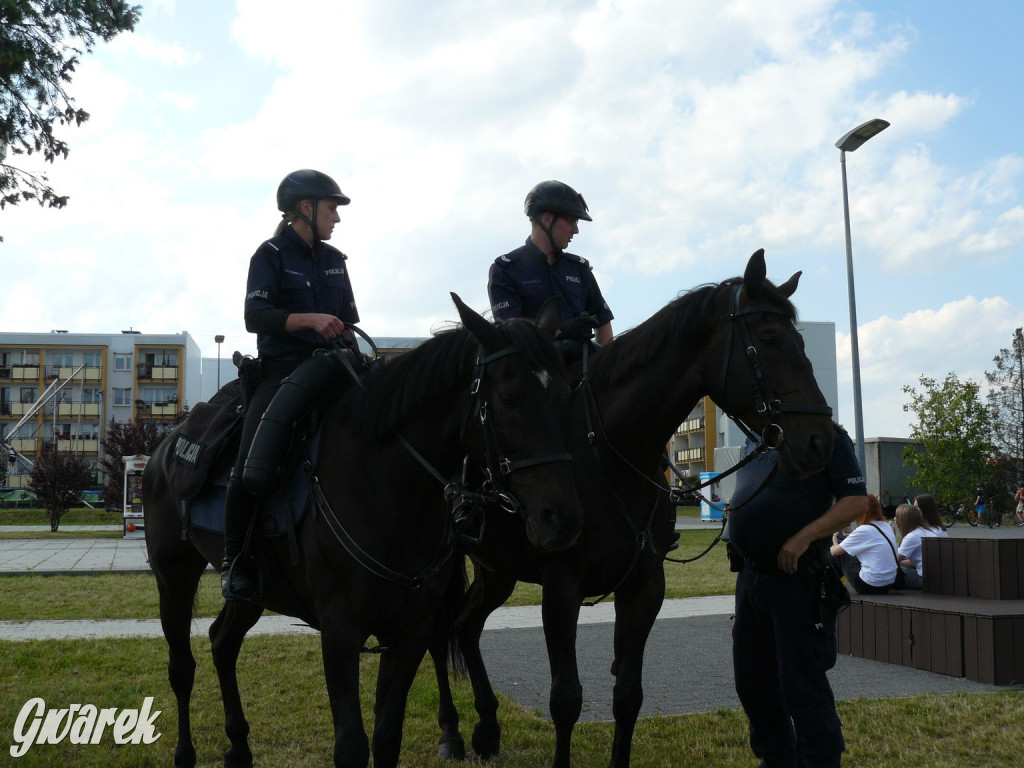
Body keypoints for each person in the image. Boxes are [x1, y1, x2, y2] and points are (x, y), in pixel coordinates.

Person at [221, 169, 359, 603]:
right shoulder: (271, 254)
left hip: (335, 367)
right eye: (332, 208)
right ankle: (235, 561)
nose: (337, 217)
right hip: (281, 371)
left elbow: (349, 322)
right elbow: (254, 318)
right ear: (306, 207)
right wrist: (309, 320)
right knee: (251, 462)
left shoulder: (336, 259)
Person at [728, 422, 867, 768]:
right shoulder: (755, 440)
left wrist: (805, 536)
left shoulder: (825, 436)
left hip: (797, 580)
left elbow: (854, 501)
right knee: (752, 682)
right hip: (751, 577)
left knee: (800, 684)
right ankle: (776, 759)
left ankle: (820, 760)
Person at [488, 180, 614, 344]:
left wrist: (603, 364)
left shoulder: (579, 269)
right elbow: (510, 327)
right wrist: (562, 330)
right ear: (547, 219)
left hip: (582, 367)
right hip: (536, 365)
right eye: (571, 221)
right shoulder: (506, 270)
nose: (576, 230)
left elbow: (603, 322)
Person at [829, 493, 900, 594]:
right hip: (888, 584)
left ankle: (830, 589)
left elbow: (834, 552)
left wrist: (834, 538)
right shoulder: (885, 526)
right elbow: (861, 540)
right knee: (846, 547)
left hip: (869, 585)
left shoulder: (864, 530)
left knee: (839, 553)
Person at [894, 502, 937, 589]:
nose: (895, 519)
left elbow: (892, 560)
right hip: (937, 579)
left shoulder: (912, 537)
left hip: (924, 581)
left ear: (903, 520)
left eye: (896, 517)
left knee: (892, 571)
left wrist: (892, 536)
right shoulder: (927, 532)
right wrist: (901, 562)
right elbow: (918, 561)